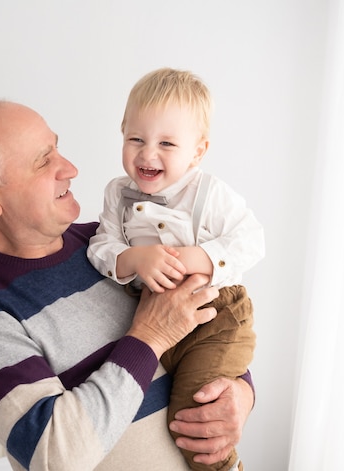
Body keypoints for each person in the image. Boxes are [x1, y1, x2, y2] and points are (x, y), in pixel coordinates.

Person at [0, 99, 255, 471]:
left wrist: (240, 394)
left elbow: (208, 322)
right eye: (43, 160)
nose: (70, 168)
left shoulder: (112, 247)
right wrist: (150, 336)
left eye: (57, 148)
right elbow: (56, 454)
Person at [88, 68, 264, 470]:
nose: (148, 154)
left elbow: (251, 239)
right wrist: (132, 259)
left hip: (214, 319)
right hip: (156, 321)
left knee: (193, 418)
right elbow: (101, 245)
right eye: (136, 139)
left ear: (197, 151)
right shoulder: (118, 194)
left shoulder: (209, 193)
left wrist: (199, 258)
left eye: (167, 143)